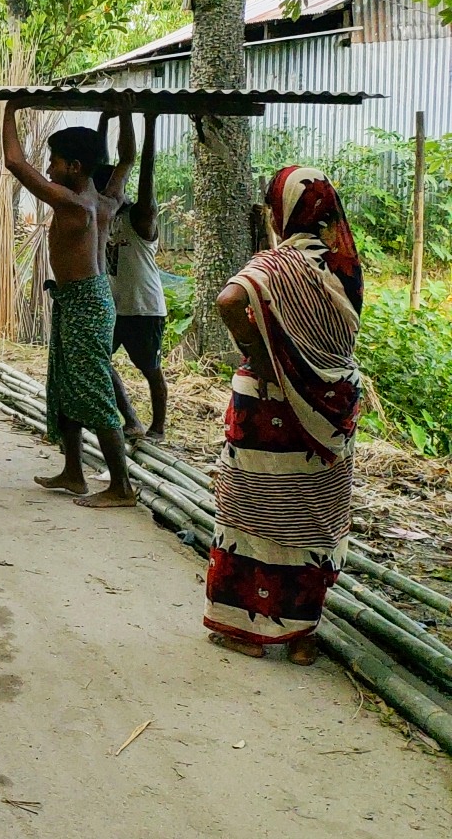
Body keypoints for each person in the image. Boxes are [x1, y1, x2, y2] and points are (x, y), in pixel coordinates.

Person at [204, 167, 362, 665]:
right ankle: (301, 635)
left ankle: (239, 626)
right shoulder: (344, 267)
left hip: (267, 402)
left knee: (252, 510)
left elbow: (229, 298)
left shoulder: (275, 265)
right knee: (311, 518)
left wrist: (260, 353)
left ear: (281, 211)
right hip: (330, 405)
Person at [2, 104, 134, 508]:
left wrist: (10, 106)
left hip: (85, 304)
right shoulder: (105, 199)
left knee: (93, 391)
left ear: (75, 166)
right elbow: (127, 157)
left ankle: (121, 487)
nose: (48, 167)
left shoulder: (72, 204)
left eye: (53, 161)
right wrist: (122, 114)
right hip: (81, 300)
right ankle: (74, 473)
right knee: (64, 385)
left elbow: (14, 162)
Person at [100, 111, 168, 442]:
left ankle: (158, 426)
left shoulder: (140, 217)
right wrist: (104, 118)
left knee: (151, 370)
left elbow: (145, 180)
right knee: (98, 359)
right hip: (114, 308)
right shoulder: (103, 216)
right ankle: (129, 418)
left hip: (144, 309)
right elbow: (104, 160)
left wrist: (150, 123)